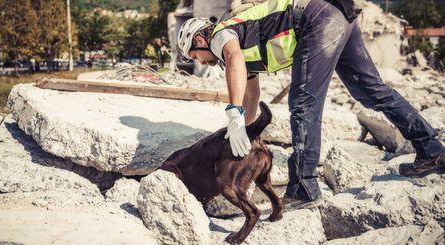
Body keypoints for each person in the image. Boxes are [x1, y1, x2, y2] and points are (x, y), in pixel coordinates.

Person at [177, 0, 445, 207]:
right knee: (370, 90)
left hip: (315, 17)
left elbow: (234, 59)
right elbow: (251, 95)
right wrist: (243, 133)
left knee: (304, 101)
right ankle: (430, 148)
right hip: (336, 15)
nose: (200, 62)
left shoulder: (221, 34)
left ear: (200, 39)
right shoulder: (239, 43)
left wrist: (233, 115)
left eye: (195, 55)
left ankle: (303, 187)